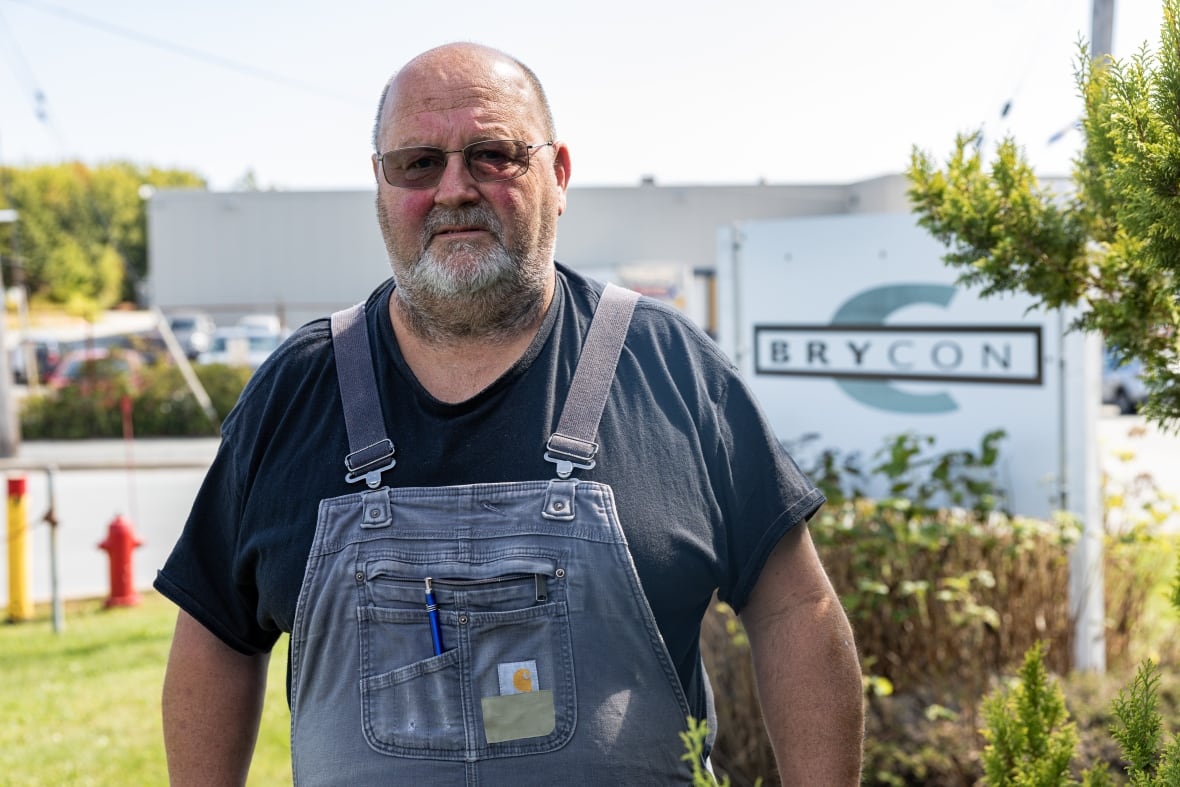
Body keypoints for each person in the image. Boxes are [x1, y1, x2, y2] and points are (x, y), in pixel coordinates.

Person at [156, 42, 863, 785]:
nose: (455, 187)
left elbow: (796, 612)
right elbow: (215, 635)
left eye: (494, 154)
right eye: (418, 162)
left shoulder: (672, 370)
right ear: (380, 184)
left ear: (558, 175)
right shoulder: (297, 390)